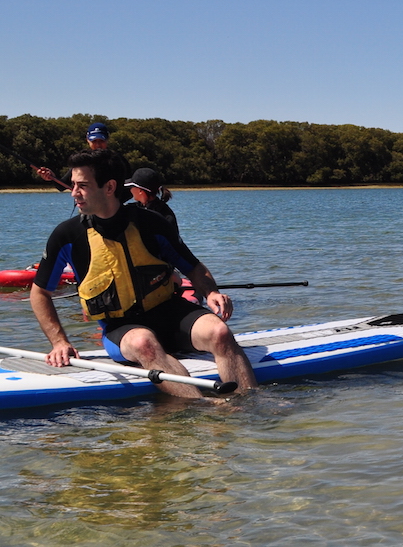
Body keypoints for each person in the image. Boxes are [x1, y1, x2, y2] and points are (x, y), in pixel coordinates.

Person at [29, 149, 256, 398]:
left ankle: (248, 408)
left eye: (82, 186)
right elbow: (40, 293)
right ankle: (201, 412)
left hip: (170, 313)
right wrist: (59, 341)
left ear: (109, 187)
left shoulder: (152, 223)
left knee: (220, 332)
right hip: (121, 327)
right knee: (144, 342)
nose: (74, 193)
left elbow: (193, 266)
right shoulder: (67, 236)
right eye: (73, 185)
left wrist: (211, 292)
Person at [37, 122, 133, 203]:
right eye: (94, 141)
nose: (98, 145)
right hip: (90, 209)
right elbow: (61, 186)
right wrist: (52, 177)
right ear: (87, 139)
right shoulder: (83, 160)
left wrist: (113, 203)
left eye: (101, 141)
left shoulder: (117, 160)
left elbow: (131, 187)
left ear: (107, 139)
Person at [126, 167, 178, 232]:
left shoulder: (165, 217)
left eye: (132, 187)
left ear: (140, 191)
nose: (130, 190)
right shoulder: (132, 209)